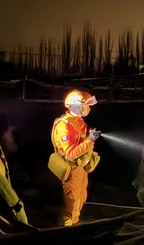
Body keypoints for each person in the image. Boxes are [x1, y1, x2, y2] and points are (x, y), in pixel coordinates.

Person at [50, 89, 101, 226]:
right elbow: (71, 153)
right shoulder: (64, 125)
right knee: (70, 203)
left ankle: (74, 225)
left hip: (80, 169)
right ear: (78, 105)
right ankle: (66, 232)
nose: (89, 109)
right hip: (72, 170)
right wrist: (90, 140)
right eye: (87, 106)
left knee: (80, 199)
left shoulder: (78, 122)